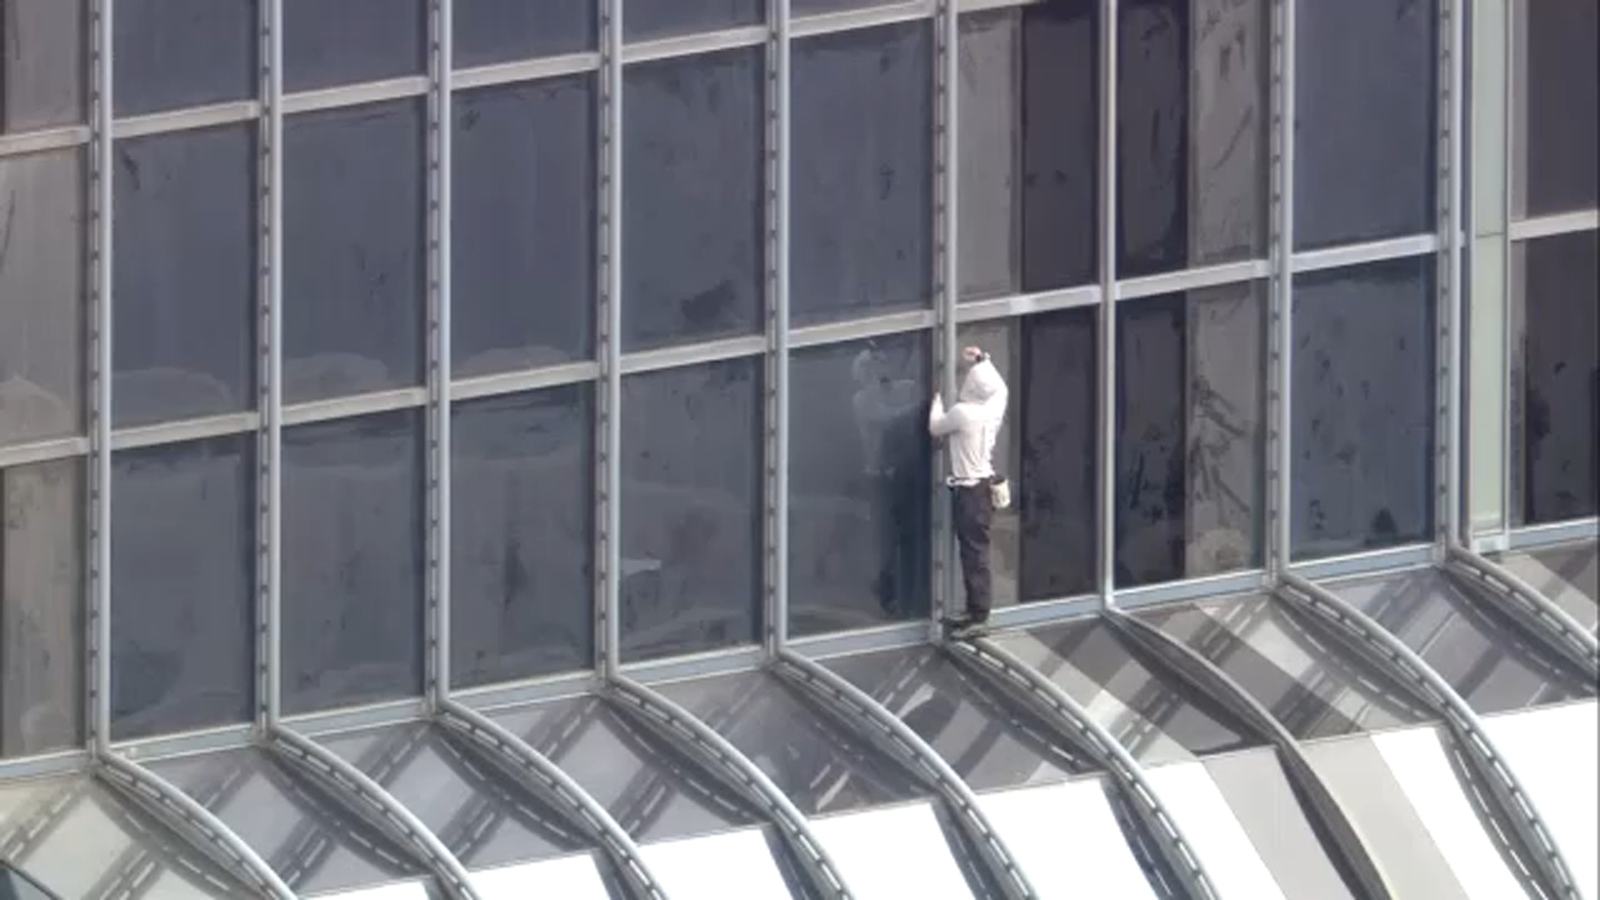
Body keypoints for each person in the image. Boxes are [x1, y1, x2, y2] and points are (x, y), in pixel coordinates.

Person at [929, 346, 1008, 639]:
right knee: (977, 552)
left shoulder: (963, 413)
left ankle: (977, 615)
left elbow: (936, 428)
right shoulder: (992, 410)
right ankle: (975, 610)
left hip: (969, 491)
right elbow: (999, 388)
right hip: (984, 488)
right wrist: (983, 359)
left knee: (973, 553)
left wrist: (936, 398)